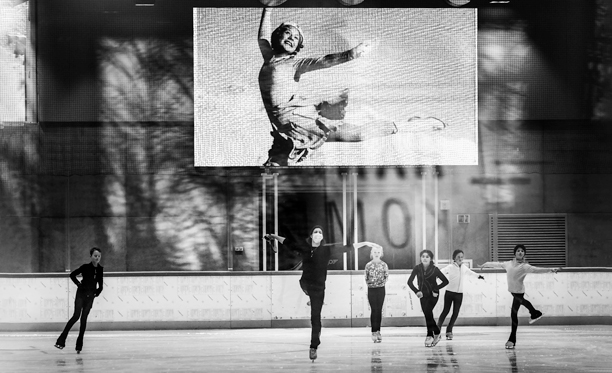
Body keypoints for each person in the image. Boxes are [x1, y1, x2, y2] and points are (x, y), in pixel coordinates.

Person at [257, 8, 446, 166]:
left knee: (359, 133)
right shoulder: (269, 58)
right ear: (277, 35)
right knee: (276, 161)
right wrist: (268, 7)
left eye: (296, 37)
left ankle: (413, 125)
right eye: (287, 32)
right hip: (283, 125)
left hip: (298, 119)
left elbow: (324, 61)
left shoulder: (295, 64)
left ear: (298, 46)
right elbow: (262, 36)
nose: (291, 37)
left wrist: (351, 54)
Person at [264, 227, 373, 362]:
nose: (318, 234)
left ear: (322, 237)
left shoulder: (326, 250)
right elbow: (287, 242)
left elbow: (347, 248)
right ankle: (310, 298)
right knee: (306, 291)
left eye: (320, 232)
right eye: (316, 232)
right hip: (306, 283)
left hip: (319, 288)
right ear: (311, 235)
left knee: (315, 317)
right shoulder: (304, 247)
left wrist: (365, 243)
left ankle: (313, 346)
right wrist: (274, 236)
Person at [479, 244, 560, 349]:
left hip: (519, 292)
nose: (520, 252)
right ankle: (535, 313)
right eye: (518, 251)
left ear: (524, 254)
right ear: (515, 253)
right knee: (523, 302)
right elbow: (497, 264)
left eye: (522, 251)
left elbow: (537, 270)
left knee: (513, 314)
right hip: (513, 291)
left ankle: (512, 340)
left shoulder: (525, 267)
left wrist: (550, 270)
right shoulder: (508, 264)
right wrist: (485, 264)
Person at [55, 247, 104, 353]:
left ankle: (79, 346)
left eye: (99, 256)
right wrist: (78, 285)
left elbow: (100, 286)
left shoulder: (100, 269)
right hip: (81, 295)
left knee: (83, 319)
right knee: (76, 316)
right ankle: (61, 340)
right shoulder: (85, 267)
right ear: (90, 256)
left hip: (90, 297)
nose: (97, 258)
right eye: (95, 256)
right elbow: (72, 275)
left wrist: (96, 293)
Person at [437, 249, 485, 340]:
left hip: (459, 294)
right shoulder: (450, 267)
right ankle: (437, 330)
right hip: (449, 292)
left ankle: (449, 330)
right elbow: (441, 272)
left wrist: (478, 276)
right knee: (445, 311)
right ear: (454, 258)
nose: (460, 258)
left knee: (455, 313)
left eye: (461, 257)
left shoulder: (464, 267)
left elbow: (470, 272)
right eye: (458, 257)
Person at [407, 250, 449, 347]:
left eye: (427, 256)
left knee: (428, 312)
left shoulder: (435, 269)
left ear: (431, 259)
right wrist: (416, 291)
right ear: (420, 258)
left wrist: (435, 289)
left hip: (433, 295)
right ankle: (437, 333)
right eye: (423, 256)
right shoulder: (417, 268)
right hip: (422, 295)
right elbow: (409, 282)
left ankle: (430, 335)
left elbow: (445, 281)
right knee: (427, 314)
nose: (425, 258)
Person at [364, 243, 388, 343]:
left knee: (379, 310)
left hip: (381, 289)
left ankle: (378, 331)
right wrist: (372, 283)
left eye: (378, 252)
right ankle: (373, 331)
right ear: (372, 253)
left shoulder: (384, 265)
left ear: (381, 253)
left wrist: (380, 283)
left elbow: (386, 276)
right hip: (371, 289)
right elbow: (366, 277)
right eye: (375, 252)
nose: (376, 254)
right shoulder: (368, 265)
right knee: (374, 310)